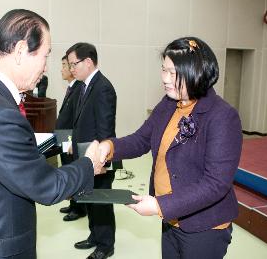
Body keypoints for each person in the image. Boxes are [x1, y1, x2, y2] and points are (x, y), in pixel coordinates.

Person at [0, 9, 104, 259]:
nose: (46, 67)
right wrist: (89, 164)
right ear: (19, 51)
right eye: (44, 56)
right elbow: (48, 187)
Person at [98, 37, 242, 259]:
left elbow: (216, 184)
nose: (165, 79)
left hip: (204, 226)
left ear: (198, 73)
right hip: (171, 218)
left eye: (173, 73)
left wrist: (159, 205)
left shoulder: (222, 116)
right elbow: (141, 140)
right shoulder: (168, 104)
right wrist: (109, 147)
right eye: (164, 70)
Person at [67, 42, 118, 259]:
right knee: (89, 198)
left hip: (98, 158)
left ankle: (106, 245)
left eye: (73, 64)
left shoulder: (103, 87)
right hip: (86, 155)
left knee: (101, 201)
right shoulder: (84, 86)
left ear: (88, 62)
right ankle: (95, 236)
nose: (71, 69)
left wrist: (101, 161)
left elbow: (105, 129)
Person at [56, 55, 86, 222]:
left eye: (64, 65)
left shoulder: (78, 89)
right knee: (67, 168)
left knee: (73, 169)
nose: (62, 69)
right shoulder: (71, 87)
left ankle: (79, 207)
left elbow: (76, 119)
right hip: (64, 135)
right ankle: (74, 203)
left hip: (69, 137)